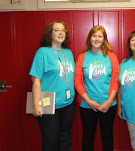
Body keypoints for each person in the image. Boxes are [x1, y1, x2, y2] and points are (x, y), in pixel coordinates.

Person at [29, 20, 75, 151]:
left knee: (66, 137)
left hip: (68, 104)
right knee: (50, 142)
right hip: (49, 105)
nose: (61, 32)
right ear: (50, 34)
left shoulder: (68, 53)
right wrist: (36, 105)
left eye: (63, 30)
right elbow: (36, 80)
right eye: (56, 30)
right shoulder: (42, 53)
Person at [74, 25, 120, 151]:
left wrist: (109, 101)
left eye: (100, 36)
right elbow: (77, 81)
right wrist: (89, 102)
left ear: (104, 39)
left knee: (107, 137)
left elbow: (116, 80)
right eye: (94, 36)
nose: (97, 39)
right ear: (89, 38)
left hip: (108, 105)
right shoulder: (82, 57)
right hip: (87, 105)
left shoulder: (111, 57)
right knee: (88, 138)